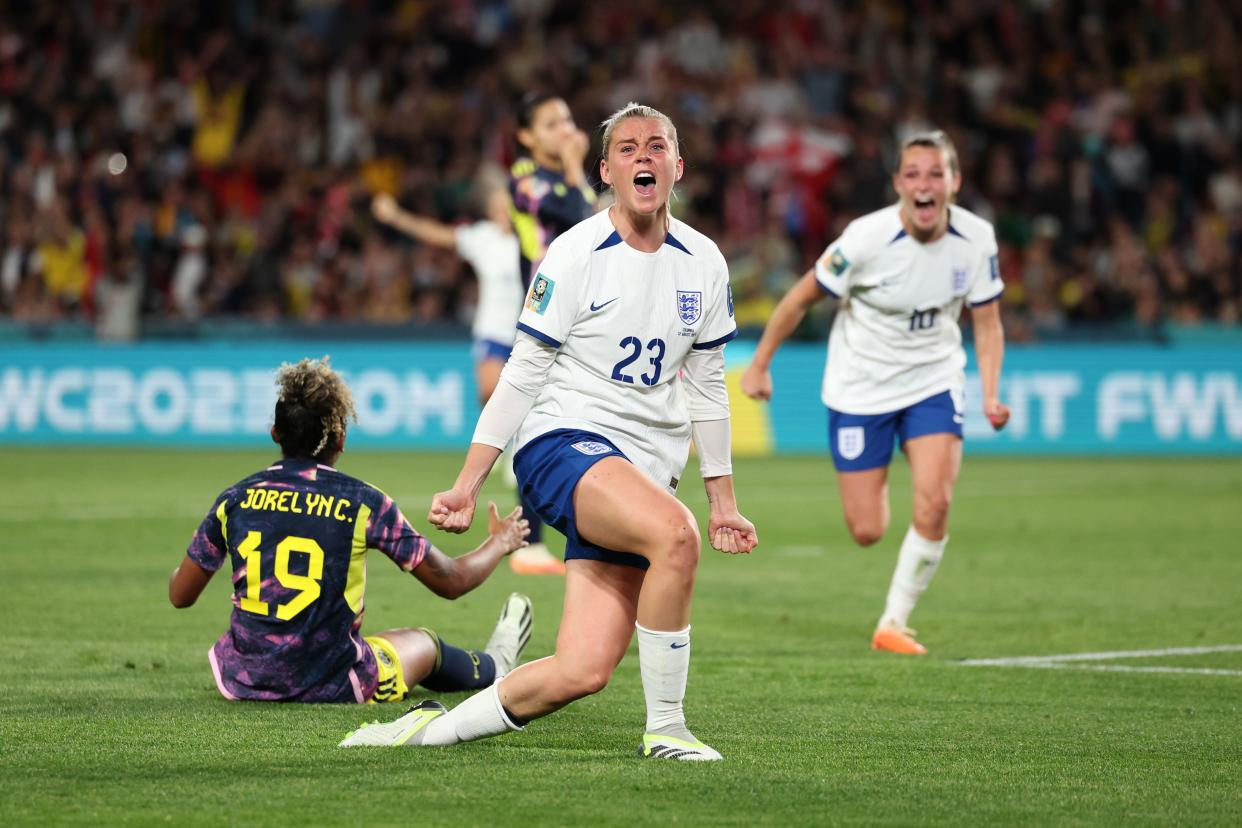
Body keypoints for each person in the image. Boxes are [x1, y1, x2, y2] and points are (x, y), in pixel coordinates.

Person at [341, 103, 758, 760]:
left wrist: (724, 499)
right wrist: (467, 483)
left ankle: (421, 734)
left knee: (581, 671)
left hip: (642, 469)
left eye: (657, 146)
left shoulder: (704, 262)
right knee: (676, 536)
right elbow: (523, 374)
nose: (643, 156)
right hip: (564, 441)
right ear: (605, 171)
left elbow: (707, 386)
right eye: (627, 148)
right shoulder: (575, 252)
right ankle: (668, 730)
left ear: (678, 166)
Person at [740, 130, 1010, 656]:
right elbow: (800, 298)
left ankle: (894, 622)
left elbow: (989, 323)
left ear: (954, 182)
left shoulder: (977, 239)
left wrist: (990, 392)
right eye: (914, 174)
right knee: (867, 529)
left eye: (936, 174)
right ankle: (878, 505)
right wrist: (759, 364)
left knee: (935, 504)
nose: (925, 185)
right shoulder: (866, 238)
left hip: (933, 382)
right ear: (898, 184)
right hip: (860, 389)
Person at [168, 356, 533, 703]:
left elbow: (180, 595)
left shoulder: (235, 499)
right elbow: (451, 581)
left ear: (275, 433)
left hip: (243, 679)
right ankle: (496, 666)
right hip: (333, 682)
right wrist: (500, 542)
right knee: (424, 644)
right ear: (341, 439)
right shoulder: (362, 503)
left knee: (377, 642)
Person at [370, 170, 564, 576]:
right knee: (492, 395)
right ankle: (508, 452)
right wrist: (395, 217)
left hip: (529, 333)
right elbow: (438, 235)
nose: (502, 211)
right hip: (494, 332)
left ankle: (513, 454)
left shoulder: (538, 242)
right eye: (495, 204)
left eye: (506, 204)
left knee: (518, 402)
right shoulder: (483, 239)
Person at [504, 92, 598, 568]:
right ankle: (527, 541)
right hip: (546, 312)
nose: (565, 129)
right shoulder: (526, 180)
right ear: (526, 137)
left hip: (587, 311)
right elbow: (582, 216)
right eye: (550, 124)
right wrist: (575, 166)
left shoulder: (569, 179)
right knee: (534, 419)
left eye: (567, 119)